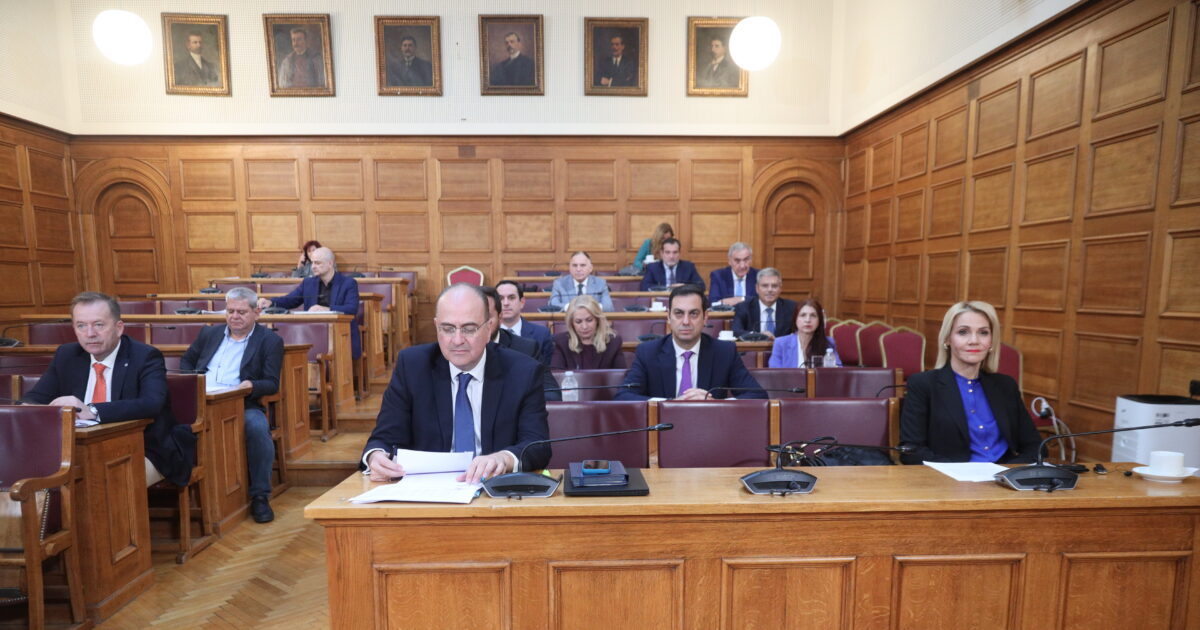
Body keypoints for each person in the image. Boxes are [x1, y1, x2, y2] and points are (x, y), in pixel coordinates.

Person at [361, 284, 551, 483]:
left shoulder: (522, 371)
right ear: (436, 327)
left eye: (469, 329)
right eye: (448, 329)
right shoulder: (412, 366)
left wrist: (504, 458)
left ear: (489, 329)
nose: (457, 340)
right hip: (427, 489)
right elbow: (384, 437)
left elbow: (537, 445)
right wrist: (376, 456)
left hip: (493, 488)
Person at [22, 292, 194, 488]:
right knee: (27, 474)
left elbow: (151, 403)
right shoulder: (67, 355)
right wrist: (26, 409)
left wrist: (92, 410)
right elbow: (36, 397)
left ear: (118, 328)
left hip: (142, 447)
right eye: (81, 325)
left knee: (102, 483)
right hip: (76, 450)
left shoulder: (145, 356)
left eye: (98, 325)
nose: (90, 333)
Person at [179, 287, 283, 523]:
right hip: (201, 400)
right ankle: (184, 487)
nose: (234, 316)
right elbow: (187, 360)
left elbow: (271, 383)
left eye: (241, 312)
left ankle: (260, 496)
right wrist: (191, 381)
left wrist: (250, 385)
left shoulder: (270, 340)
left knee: (257, 429)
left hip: (242, 403)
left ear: (256, 312)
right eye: (230, 311)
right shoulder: (209, 333)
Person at [899, 301, 1041, 465]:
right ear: (947, 339)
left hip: (1004, 477)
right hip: (949, 477)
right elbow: (911, 451)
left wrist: (1011, 471)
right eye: (963, 332)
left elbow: (1035, 446)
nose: (974, 340)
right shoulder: (923, 384)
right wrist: (961, 473)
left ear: (991, 341)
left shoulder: (1006, 385)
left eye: (983, 333)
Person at [616, 284, 765, 401]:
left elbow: (757, 395)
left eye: (693, 314)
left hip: (709, 427)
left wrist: (715, 403)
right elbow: (623, 397)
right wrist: (669, 404)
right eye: (679, 313)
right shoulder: (648, 352)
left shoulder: (724, 352)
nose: (686, 321)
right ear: (668, 317)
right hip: (663, 427)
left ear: (705, 317)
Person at [259, 246, 360, 360]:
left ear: (330, 264)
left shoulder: (348, 283)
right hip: (312, 335)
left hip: (340, 335)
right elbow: (290, 300)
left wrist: (327, 310)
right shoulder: (308, 283)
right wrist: (271, 302)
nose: (313, 267)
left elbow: (352, 308)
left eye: (317, 263)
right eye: (312, 263)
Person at [479, 286, 560, 402]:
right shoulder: (456, 350)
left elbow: (552, 394)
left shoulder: (526, 349)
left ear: (500, 317)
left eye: (487, 317)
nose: (480, 324)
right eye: (473, 318)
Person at [550, 295, 626, 371]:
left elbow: (621, 375)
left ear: (597, 320)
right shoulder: (561, 342)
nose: (584, 326)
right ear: (571, 323)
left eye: (589, 320)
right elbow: (557, 375)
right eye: (578, 322)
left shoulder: (613, 342)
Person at [768, 298, 841, 368]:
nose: (808, 320)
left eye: (813, 315)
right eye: (803, 315)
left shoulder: (828, 343)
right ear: (795, 319)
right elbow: (775, 372)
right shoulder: (781, 343)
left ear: (819, 320)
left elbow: (838, 371)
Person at [496, 280, 553, 364]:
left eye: (511, 298)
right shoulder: (487, 334)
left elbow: (546, 369)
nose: (506, 303)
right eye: (500, 298)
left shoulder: (542, 334)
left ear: (522, 302)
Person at [732, 268, 795, 339]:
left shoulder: (791, 308)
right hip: (753, 345)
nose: (770, 290)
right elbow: (736, 331)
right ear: (757, 288)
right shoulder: (743, 307)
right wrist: (758, 335)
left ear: (780, 288)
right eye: (765, 286)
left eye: (774, 286)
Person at [549, 251, 614, 312]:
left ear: (590, 268)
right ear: (569, 267)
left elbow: (608, 307)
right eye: (574, 265)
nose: (578, 269)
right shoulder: (559, 283)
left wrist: (588, 307)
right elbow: (552, 304)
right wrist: (572, 307)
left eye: (582, 265)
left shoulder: (600, 283)